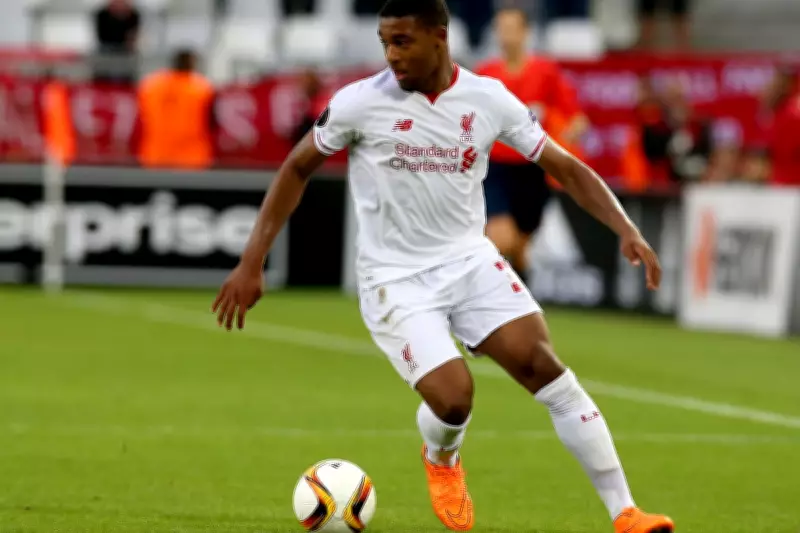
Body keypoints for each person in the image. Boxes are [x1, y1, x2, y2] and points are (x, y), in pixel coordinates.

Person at [212, 1, 672, 532]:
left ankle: (626, 513)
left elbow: (565, 167)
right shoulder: (360, 102)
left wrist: (626, 228)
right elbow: (296, 168)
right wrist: (252, 260)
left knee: (546, 369)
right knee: (454, 400)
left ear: (439, 37)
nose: (391, 55)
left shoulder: (487, 98)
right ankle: (442, 457)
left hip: (470, 262)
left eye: (402, 41)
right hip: (395, 279)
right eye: (385, 42)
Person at [475, 7, 589, 282]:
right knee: (501, 237)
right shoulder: (485, 74)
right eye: (501, 29)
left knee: (521, 243)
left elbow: (577, 118)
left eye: (512, 28)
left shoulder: (545, 72)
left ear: (525, 32)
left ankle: (519, 284)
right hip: (496, 168)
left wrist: (569, 136)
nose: (506, 36)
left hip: (533, 170)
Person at [137, 49, 216, 169]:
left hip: (155, 156)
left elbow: (140, 119)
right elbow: (211, 122)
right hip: (192, 158)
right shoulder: (202, 88)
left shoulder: (150, 86)